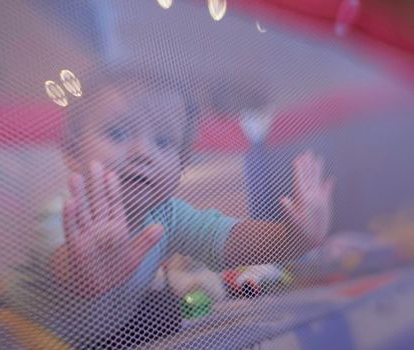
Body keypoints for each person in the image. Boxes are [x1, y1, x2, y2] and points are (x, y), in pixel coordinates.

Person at [18, 67, 334, 349]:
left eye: (164, 142)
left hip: (103, 330)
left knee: (164, 309)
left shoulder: (168, 214)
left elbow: (229, 238)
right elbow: (61, 260)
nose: (143, 152)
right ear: (73, 151)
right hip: (29, 330)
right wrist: (80, 271)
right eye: (117, 133)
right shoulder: (69, 209)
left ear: (181, 165)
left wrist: (292, 238)